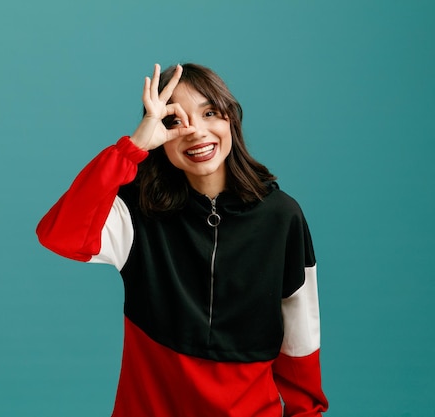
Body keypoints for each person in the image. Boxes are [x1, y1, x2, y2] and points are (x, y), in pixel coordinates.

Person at [36, 63, 329, 417]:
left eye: (210, 113)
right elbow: (60, 235)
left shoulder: (282, 217)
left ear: (230, 121)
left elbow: (300, 341)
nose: (196, 132)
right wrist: (132, 148)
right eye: (175, 121)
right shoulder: (137, 210)